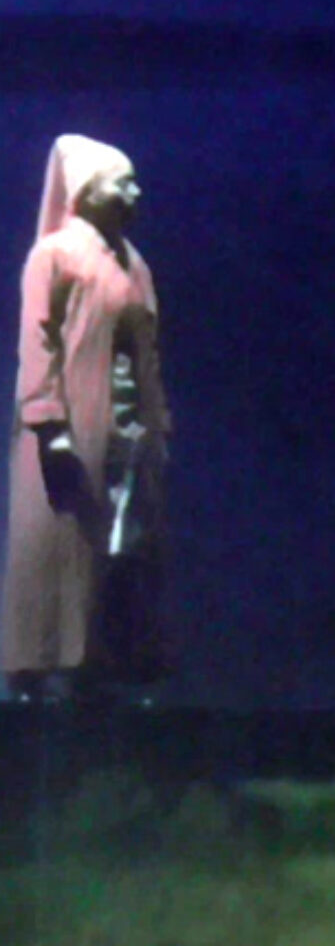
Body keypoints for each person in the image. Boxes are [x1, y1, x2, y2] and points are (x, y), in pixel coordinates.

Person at [1, 134, 173, 704]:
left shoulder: (134, 264)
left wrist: (156, 424)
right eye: (123, 183)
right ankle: (43, 663)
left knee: (120, 549)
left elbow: (146, 353)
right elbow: (38, 341)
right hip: (71, 428)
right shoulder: (52, 255)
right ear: (87, 192)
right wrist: (47, 420)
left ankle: (104, 662)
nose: (135, 193)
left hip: (124, 432)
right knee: (60, 544)